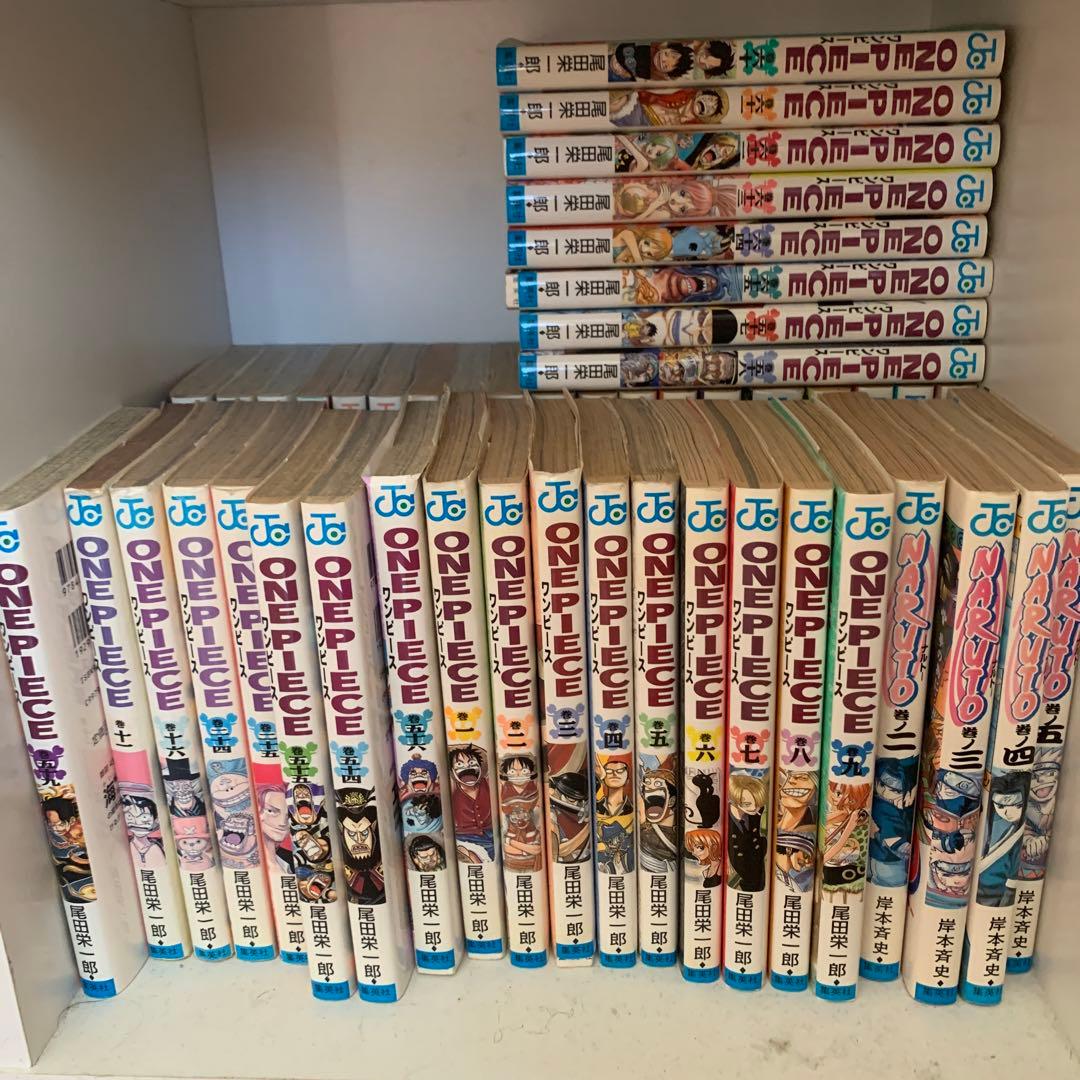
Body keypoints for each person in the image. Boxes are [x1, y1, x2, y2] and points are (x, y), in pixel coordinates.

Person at [727, 773, 768, 891]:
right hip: (737, 860)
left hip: (757, 857)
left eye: (758, 804)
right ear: (734, 800)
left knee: (758, 884)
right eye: (747, 804)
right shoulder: (725, 816)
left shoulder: (756, 813)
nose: (754, 808)